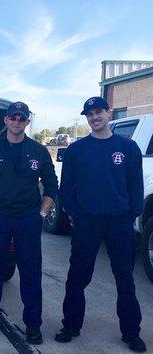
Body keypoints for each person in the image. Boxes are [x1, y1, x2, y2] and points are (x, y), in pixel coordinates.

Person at [55, 97, 146, 353]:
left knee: (125, 280)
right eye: (90, 114)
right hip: (87, 223)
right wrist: (74, 213)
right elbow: (67, 188)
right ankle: (70, 326)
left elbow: (135, 186)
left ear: (109, 113)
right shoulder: (76, 150)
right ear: (87, 118)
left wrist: (131, 215)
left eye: (99, 112)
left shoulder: (127, 148)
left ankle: (131, 333)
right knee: (77, 278)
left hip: (119, 223)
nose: (95, 117)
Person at [0, 101, 58, 344]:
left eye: (21, 118)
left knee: (31, 274)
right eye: (13, 118)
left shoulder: (39, 151)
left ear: (27, 122)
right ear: (6, 120)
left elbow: (52, 185)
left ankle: (33, 325)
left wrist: (41, 214)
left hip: (28, 220)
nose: (17, 122)